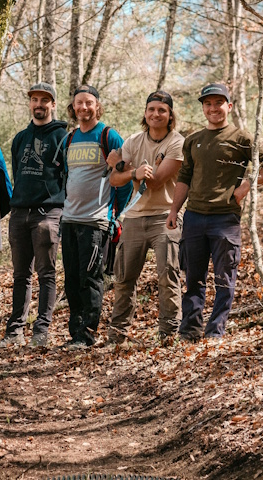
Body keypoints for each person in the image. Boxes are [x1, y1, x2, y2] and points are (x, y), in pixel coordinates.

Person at [167, 83, 263, 340]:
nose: (213, 108)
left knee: (224, 278)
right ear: (203, 108)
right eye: (208, 104)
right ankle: (190, 329)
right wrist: (174, 210)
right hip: (194, 217)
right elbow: (184, 177)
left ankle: (215, 331)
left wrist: (246, 186)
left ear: (229, 106)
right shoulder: (193, 140)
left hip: (225, 218)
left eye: (218, 103)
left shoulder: (242, 138)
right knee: (193, 278)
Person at [0, 83, 67, 349]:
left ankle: (41, 331)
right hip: (19, 213)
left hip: (48, 213)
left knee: (46, 273)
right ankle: (14, 332)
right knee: (20, 275)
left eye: (44, 100)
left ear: (53, 104)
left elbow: (67, 176)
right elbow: (17, 174)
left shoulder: (62, 137)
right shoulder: (21, 138)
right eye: (34, 99)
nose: (39, 104)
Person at [107, 91, 184, 342]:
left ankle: (168, 334)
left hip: (165, 216)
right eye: (151, 109)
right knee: (124, 278)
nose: (156, 114)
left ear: (170, 115)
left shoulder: (177, 142)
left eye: (162, 110)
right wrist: (132, 172)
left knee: (167, 275)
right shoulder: (133, 141)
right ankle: (117, 334)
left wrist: (125, 166)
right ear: (145, 113)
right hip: (134, 217)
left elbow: (156, 181)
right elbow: (114, 179)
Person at [56, 85, 129, 350]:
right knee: (72, 280)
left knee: (90, 279)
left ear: (97, 106)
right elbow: (67, 177)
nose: (83, 107)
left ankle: (86, 335)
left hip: (96, 221)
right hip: (70, 219)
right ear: (73, 107)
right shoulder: (69, 139)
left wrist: (116, 215)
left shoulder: (109, 136)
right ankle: (75, 334)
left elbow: (124, 178)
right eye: (79, 103)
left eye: (89, 102)